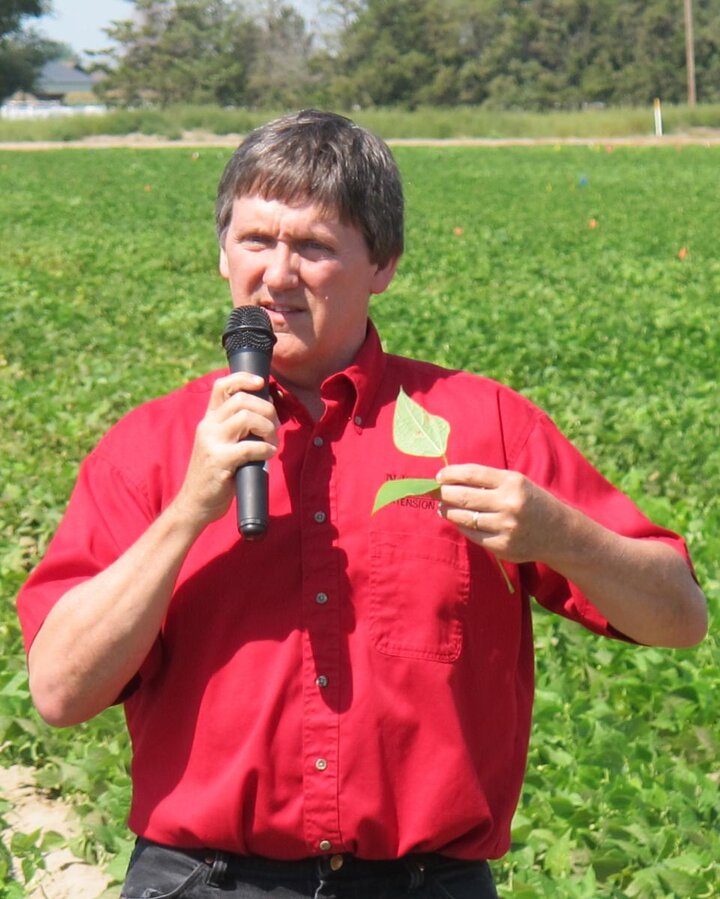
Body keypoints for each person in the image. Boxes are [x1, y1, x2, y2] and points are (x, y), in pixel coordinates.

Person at [17, 110, 707, 899]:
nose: (277, 274)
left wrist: (562, 532)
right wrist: (186, 514)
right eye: (255, 241)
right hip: (203, 880)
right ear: (220, 254)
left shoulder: (484, 425)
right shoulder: (152, 446)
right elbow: (60, 691)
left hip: (426, 882)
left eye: (313, 246)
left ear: (383, 264)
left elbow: (678, 617)